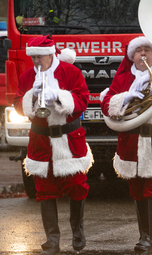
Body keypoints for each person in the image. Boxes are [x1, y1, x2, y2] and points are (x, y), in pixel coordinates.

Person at [100, 36, 152, 254]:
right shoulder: (123, 79)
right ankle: (145, 237)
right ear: (132, 56)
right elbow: (107, 104)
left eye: (147, 50)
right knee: (137, 190)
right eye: (138, 51)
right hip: (132, 143)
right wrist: (127, 96)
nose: (143, 54)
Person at [13, 35, 93, 254]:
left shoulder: (71, 72)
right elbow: (18, 104)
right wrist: (32, 95)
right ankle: (52, 240)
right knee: (44, 189)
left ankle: (77, 231)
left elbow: (83, 100)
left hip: (68, 140)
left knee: (77, 185)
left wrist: (58, 95)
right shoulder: (28, 75)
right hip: (40, 140)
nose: (36, 62)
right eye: (33, 58)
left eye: (40, 57)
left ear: (51, 54)